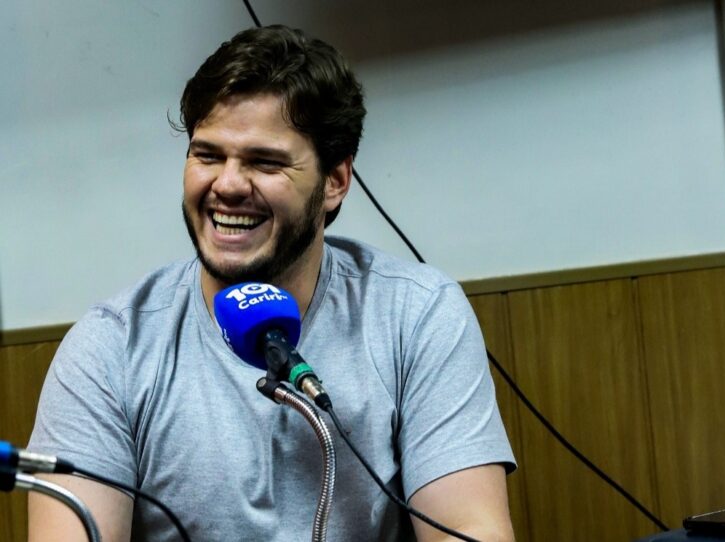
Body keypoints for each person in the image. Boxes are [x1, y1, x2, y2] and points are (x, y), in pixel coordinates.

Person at [27, 25, 516, 542]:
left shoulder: (416, 314)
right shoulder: (109, 347)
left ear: (335, 180)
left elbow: (469, 527)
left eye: (265, 162)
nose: (227, 185)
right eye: (207, 155)